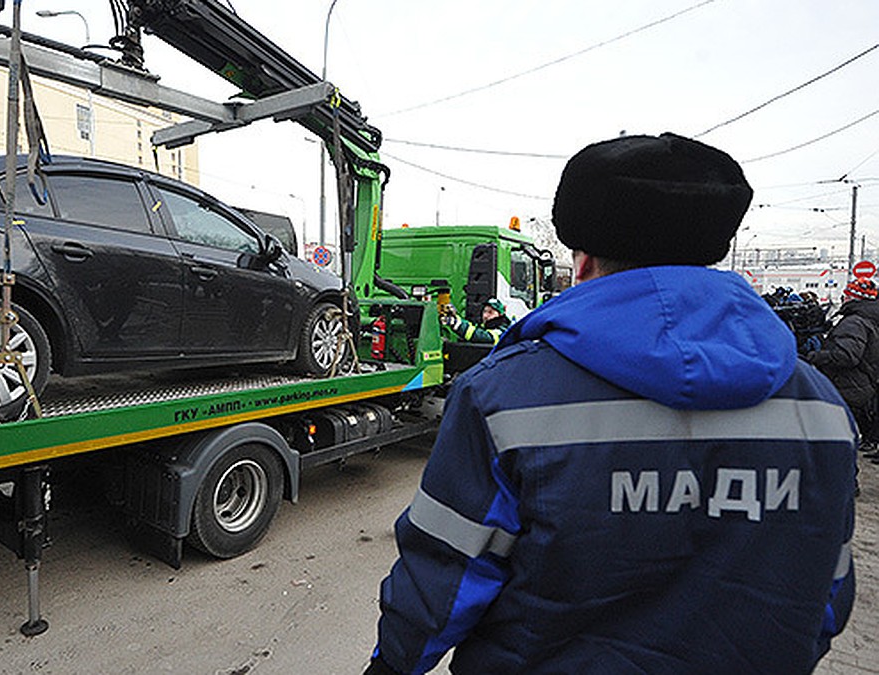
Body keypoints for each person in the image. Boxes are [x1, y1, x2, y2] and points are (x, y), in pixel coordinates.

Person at [366, 133, 855, 674]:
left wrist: (392, 665)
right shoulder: (823, 410)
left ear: (582, 263)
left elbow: (442, 580)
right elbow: (825, 595)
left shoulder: (503, 398)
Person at [805, 277, 879, 458]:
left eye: (846, 295)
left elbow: (848, 356)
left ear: (853, 298)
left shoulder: (854, 322)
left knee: (836, 441)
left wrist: (815, 356)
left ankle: (845, 484)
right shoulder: (868, 319)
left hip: (847, 386)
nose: (843, 298)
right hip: (860, 385)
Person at [440, 298, 511, 344]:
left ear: (500, 314)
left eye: (490, 312)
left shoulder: (504, 329)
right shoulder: (484, 326)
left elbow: (485, 337)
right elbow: (472, 328)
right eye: (484, 311)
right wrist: (455, 317)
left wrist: (457, 324)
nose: (485, 315)